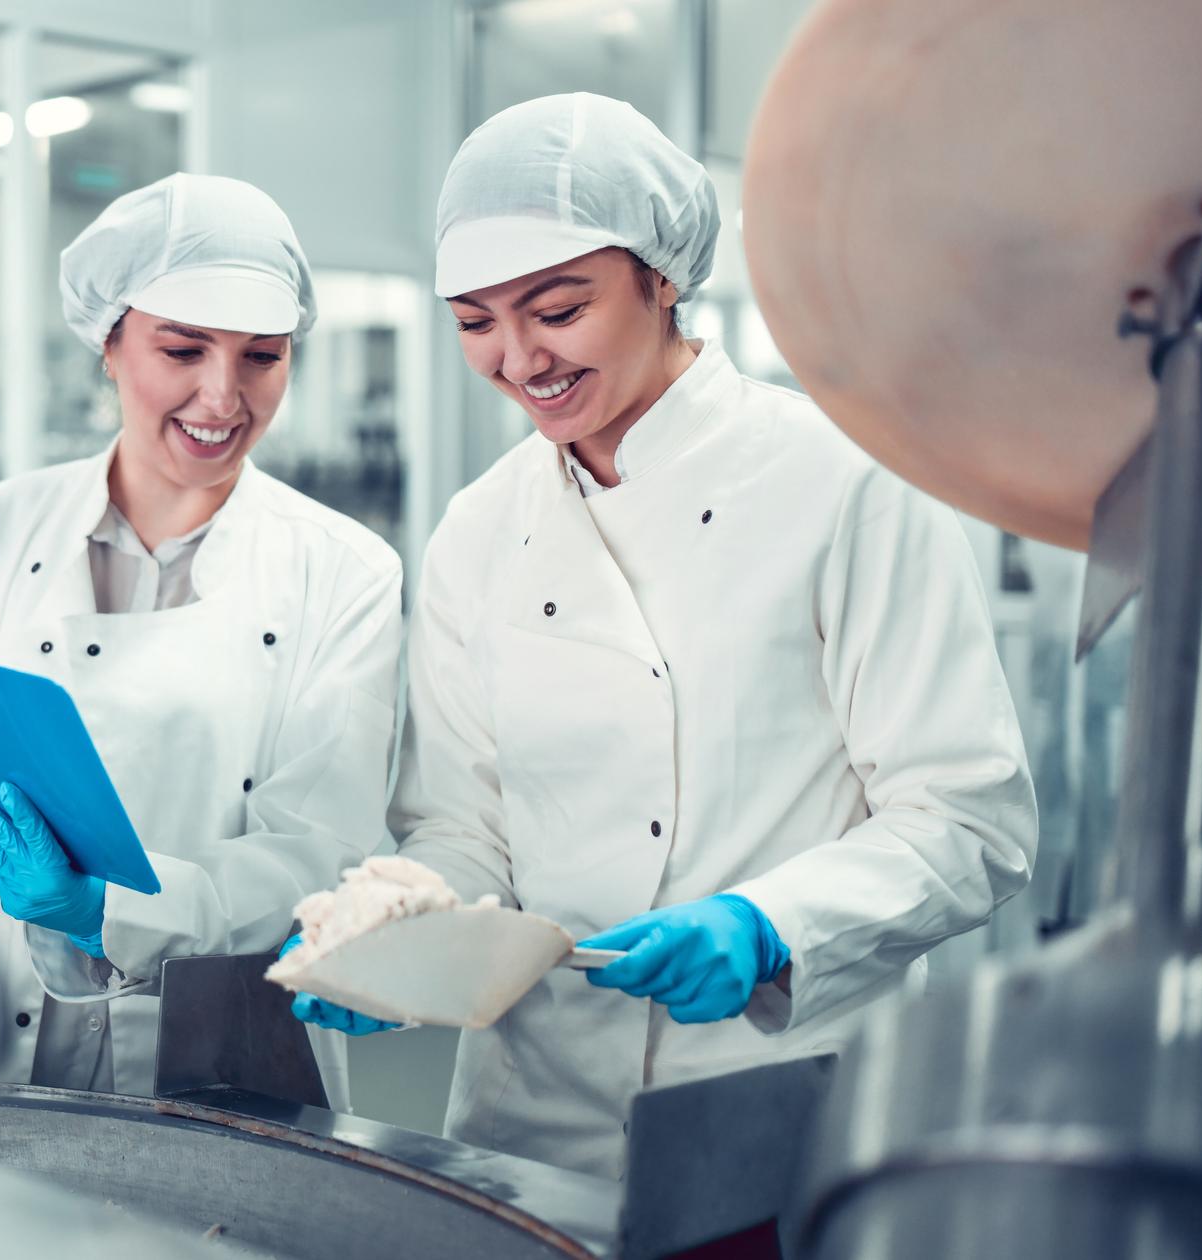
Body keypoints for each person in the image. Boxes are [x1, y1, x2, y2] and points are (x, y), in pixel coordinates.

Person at [291, 94, 1039, 1179]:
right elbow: (463, 829)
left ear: (661, 274)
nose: (515, 358)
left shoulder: (840, 479)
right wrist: (391, 940)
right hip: (530, 1128)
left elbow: (969, 816)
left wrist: (770, 923)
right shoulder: (478, 528)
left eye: (555, 309)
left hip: (774, 1110)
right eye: (473, 322)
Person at [0, 173, 404, 1105]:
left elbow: (321, 855)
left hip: (225, 1036)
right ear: (109, 344)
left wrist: (106, 907)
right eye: (182, 349)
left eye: (263, 358)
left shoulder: (344, 568)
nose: (222, 397)